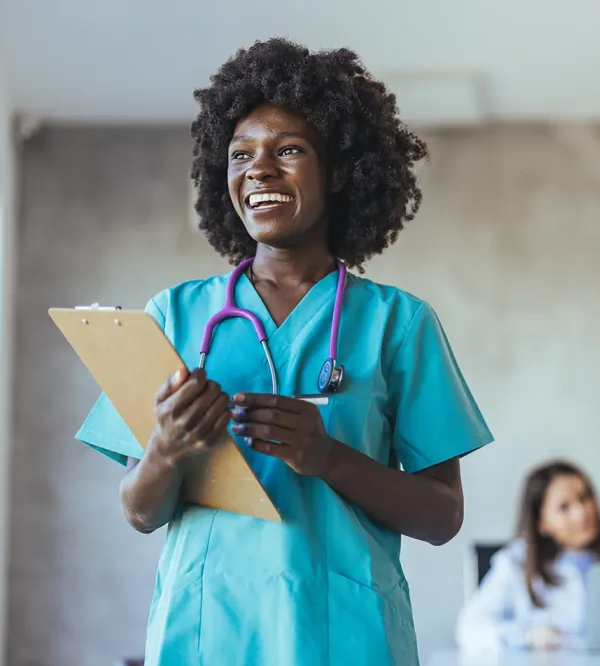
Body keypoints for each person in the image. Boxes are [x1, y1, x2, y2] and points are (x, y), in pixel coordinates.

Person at [74, 38, 494, 666]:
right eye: (241, 154)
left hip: (346, 634)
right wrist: (167, 447)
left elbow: (442, 516)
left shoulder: (398, 324)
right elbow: (139, 512)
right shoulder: (175, 316)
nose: (259, 170)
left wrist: (327, 457)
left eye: (288, 150)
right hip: (207, 631)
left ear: (341, 171)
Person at [456, 460, 600, 655]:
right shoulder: (516, 563)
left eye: (585, 498)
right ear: (541, 522)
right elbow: (470, 628)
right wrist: (527, 636)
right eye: (564, 507)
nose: (581, 513)